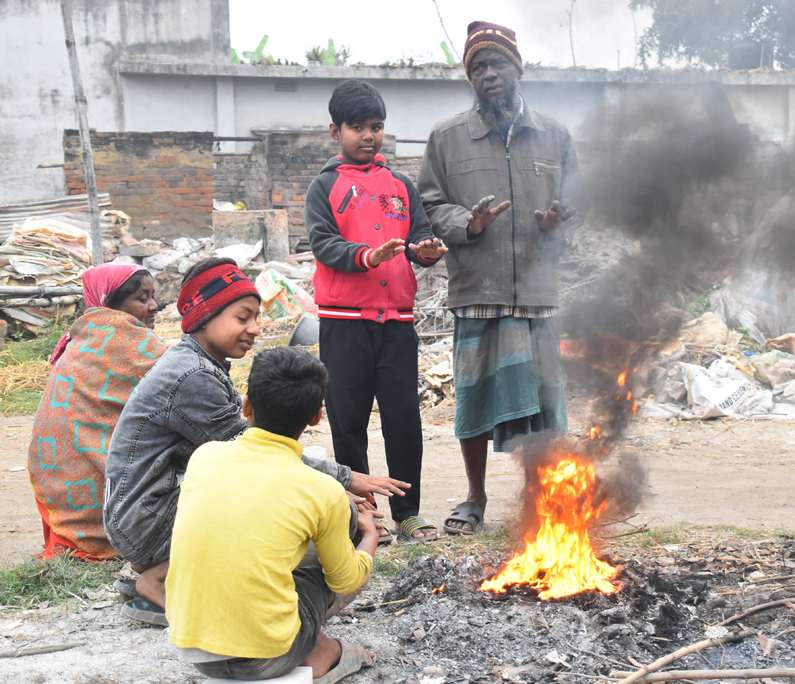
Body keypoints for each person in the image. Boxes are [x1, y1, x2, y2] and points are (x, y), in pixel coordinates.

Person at [103, 257, 405, 627]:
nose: (255, 329)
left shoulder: (201, 363)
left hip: (149, 512)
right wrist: (342, 479)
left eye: (256, 319)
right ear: (204, 316)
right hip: (148, 520)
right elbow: (254, 450)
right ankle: (161, 579)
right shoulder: (191, 375)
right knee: (319, 515)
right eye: (242, 317)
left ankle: (172, 573)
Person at [417, 21, 584, 535]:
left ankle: (545, 498)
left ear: (518, 68)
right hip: (478, 288)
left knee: (545, 403)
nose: (490, 74)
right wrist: (466, 223)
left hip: (536, 291)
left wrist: (560, 225)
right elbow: (428, 205)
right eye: (479, 67)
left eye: (499, 64)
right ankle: (474, 497)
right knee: (474, 399)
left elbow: (578, 204)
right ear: (470, 78)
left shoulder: (555, 135)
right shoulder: (447, 137)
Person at [166, 347, 377, 682]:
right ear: (316, 416)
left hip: (192, 649)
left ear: (245, 404)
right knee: (335, 554)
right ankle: (323, 653)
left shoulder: (205, 457)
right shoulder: (323, 490)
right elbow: (347, 580)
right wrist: (369, 537)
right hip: (268, 658)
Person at [306, 80, 447, 543]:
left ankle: (408, 512)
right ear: (335, 131)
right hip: (345, 324)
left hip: (398, 324)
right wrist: (368, 257)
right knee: (348, 420)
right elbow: (324, 244)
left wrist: (427, 251)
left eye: (376, 127)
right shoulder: (324, 186)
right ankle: (364, 516)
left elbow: (420, 241)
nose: (368, 136)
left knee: (404, 417)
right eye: (357, 127)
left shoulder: (401, 186)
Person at [27, 263, 164, 560]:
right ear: (111, 303)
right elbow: (183, 390)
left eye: (153, 296)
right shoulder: (131, 340)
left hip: (58, 500)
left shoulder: (82, 336)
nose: (154, 306)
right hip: (100, 509)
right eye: (142, 298)